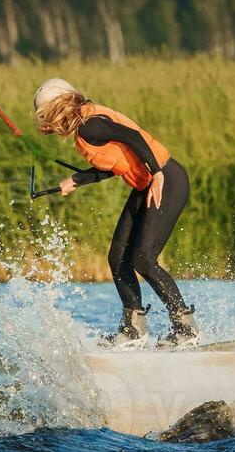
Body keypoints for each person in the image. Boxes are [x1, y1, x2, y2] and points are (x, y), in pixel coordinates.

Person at [33, 78, 199, 350]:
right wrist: (76, 180)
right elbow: (116, 163)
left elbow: (132, 136)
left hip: (166, 179)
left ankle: (186, 328)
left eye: (47, 116)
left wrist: (157, 173)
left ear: (58, 108)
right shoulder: (86, 127)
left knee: (143, 259)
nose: (48, 124)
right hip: (148, 182)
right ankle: (134, 329)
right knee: (118, 256)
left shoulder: (91, 124)